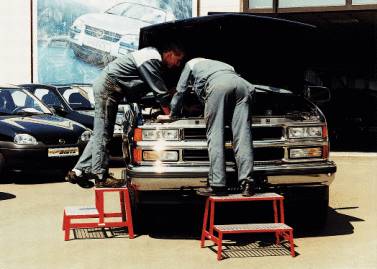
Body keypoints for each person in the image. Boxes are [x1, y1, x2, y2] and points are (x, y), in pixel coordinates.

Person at [66, 44, 185, 188]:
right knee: (103, 134)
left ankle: (78, 171)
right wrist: (172, 117)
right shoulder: (152, 59)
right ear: (170, 54)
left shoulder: (150, 56)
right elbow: (160, 94)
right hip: (108, 88)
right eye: (178, 60)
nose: (178, 65)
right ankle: (100, 177)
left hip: (109, 88)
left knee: (101, 133)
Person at [159, 58, 255, 196]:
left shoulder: (190, 64)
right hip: (244, 86)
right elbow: (231, 85)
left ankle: (218, 185)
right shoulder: (225, 64)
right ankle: (248, 183)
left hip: (219, 86)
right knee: (243, 136)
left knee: (216, 135)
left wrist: (173, 114)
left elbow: (180, 91)